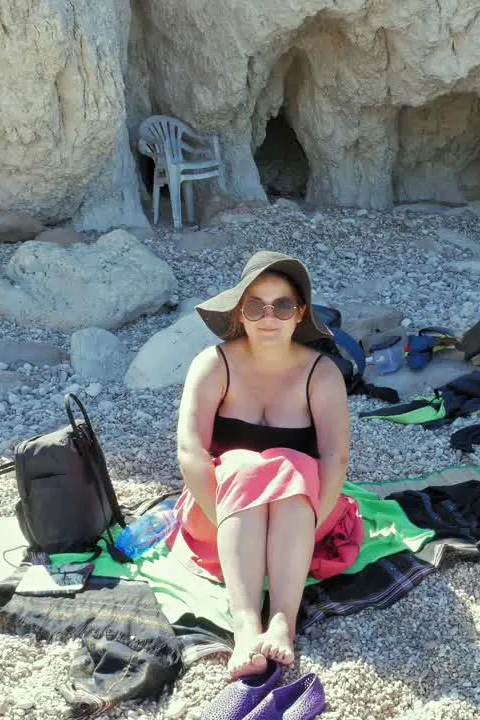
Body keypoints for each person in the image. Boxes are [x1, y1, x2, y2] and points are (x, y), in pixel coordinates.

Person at [167, 250, 360, 677]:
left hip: (302, 515)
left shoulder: (321, 374)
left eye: (283, 305)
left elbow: (335, 458)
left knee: (292, 465)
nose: (268, 317)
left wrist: (310, 521)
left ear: (300, 313)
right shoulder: (213, 364)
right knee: (239, 466)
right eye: (255, 305)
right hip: (220, 515)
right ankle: (246, 626)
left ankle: (282, 623)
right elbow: (191, 453)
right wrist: (230, 521)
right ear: (241, 312)